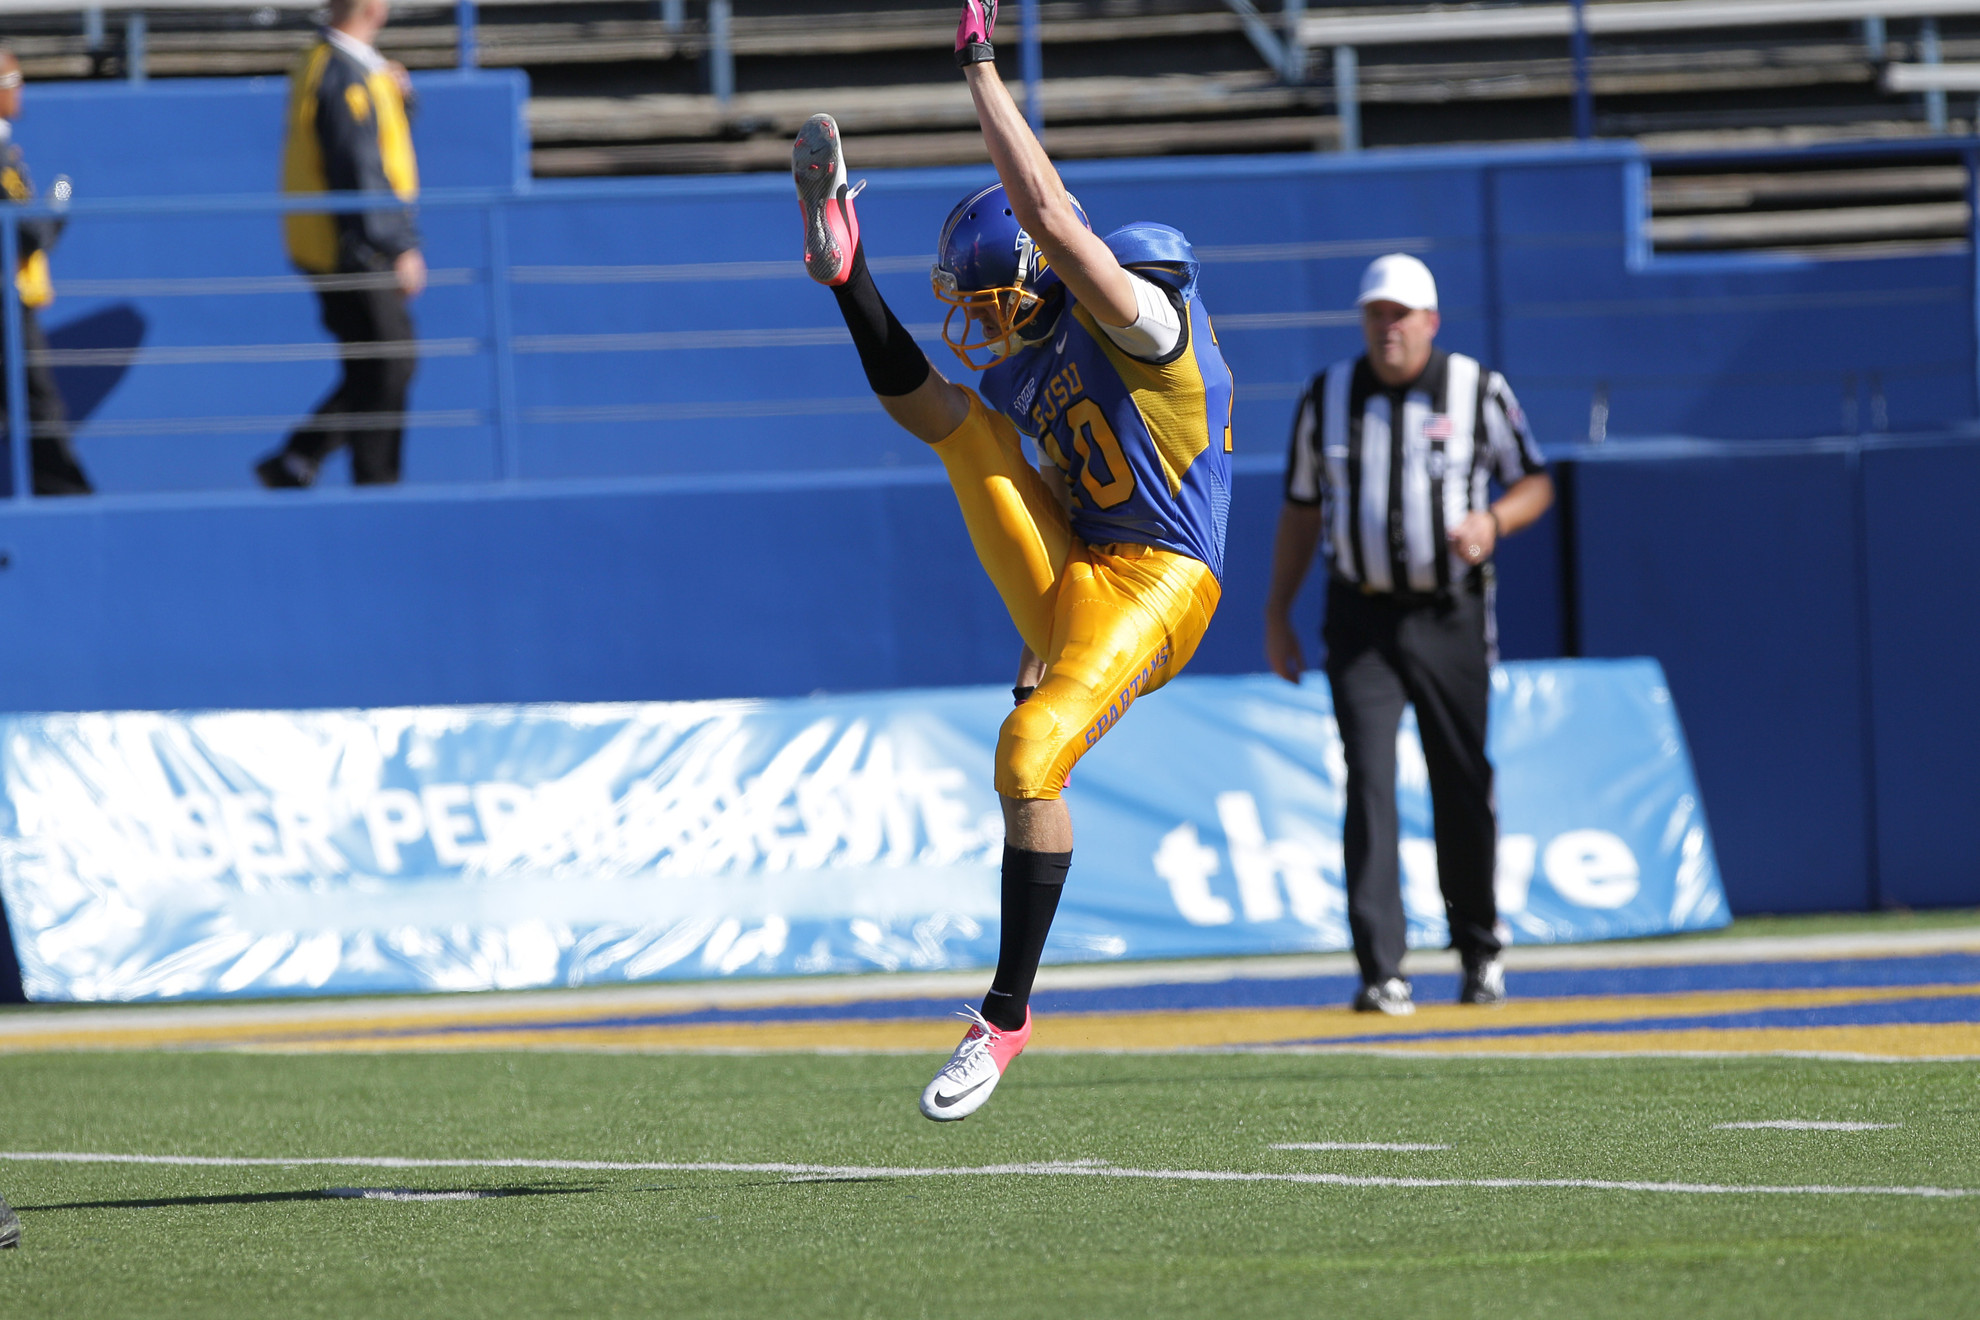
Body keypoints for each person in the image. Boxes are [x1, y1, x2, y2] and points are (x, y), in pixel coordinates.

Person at [793, 0, 1233, 1120]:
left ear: (1048, 281)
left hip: (1164, 581)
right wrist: (855, 289)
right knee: (963, 428)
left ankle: (1004, 1017)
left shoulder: (1143, 326)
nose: (989, 329)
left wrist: (981, 65)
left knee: (1030, 752)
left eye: (998, 303)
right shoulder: (1025, 369)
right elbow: (929, 402)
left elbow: (1046, 205)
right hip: (1085, 573)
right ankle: (844, 261)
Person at [1263, 253, 1552, 1015]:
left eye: (1400, 315)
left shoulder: (1475, 389)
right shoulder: (1325, 397)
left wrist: (1494, 519)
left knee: (1461, 779)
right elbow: (1299, 510)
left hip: (1449, 612)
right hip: (1359, 616)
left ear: (1430, 321)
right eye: (1375, 315)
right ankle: (1381, 968)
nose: (1386, 328)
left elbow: (1534, 480)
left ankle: (1479, 947)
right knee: (1370, 780)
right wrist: (1276, 611)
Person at [257, 0, 423, 488]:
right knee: (388, 364)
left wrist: (400, 100)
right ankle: (372, 483)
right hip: (352, 247)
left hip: (337, 242)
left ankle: (297, 459)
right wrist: (397, 244)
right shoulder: (344, 74)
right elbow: (356, 165)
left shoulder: (338, 64)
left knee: (379, 365)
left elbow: (367, 146)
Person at [0, 47, 91, 496]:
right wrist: (59, 200)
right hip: (7, 303)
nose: (21, 93)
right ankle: (69, 494)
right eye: (13, 83)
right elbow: (32, 236)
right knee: (39, 402)